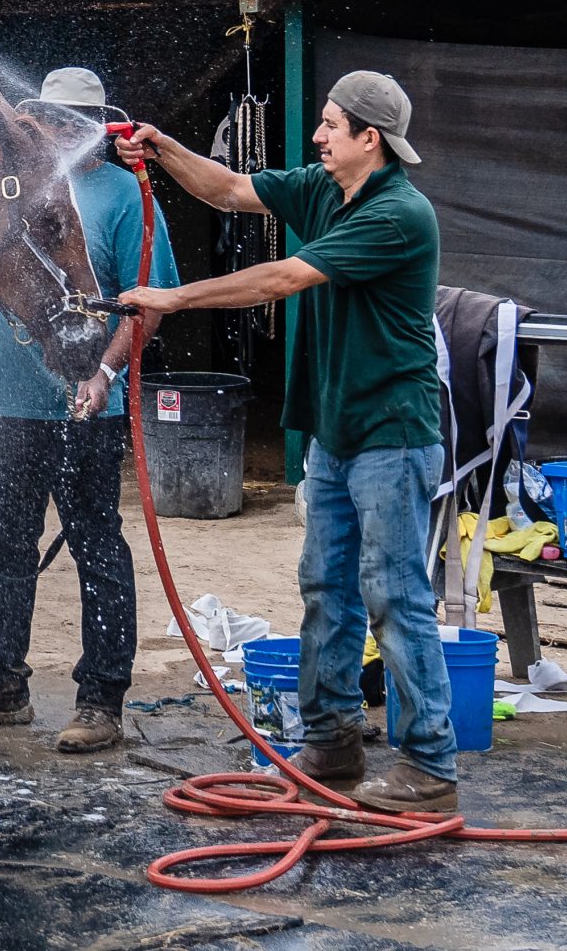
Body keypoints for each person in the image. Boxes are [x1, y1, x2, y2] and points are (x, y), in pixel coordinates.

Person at [117, 71, 454, 813]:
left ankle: (430, 762)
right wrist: (165, 148)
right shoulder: (323, 188)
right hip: (335, 432)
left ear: (372, 138)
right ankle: (333, 741)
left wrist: (174, 298)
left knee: (394, 595)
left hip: (391, 434)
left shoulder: (398, 212)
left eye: (332, 125)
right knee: (325, 589)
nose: (317, 135)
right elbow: (233, 189)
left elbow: (280, 278)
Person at [0, 67, 177, 755]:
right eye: (53, 117)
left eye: (77, 120)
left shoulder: (126, 197)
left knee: (96, 544)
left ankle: (101, 697)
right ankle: (2, 682)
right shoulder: (16, 188)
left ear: (98, 127)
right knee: (4, 544)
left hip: (80, 403)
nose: (63, 129)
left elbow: (147, 302)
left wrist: (102, 371)